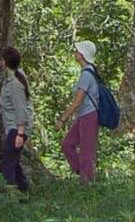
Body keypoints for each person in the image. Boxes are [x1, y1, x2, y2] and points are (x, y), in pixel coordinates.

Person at [58, 39, 102, 182]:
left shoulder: (87, 75)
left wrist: (62, 119)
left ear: (82, 55)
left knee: (86, 151)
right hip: (83, 116)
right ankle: (83, 174)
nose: (75, 52)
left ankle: (87, 182)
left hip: (89, 116)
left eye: (77, 51)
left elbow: (78, 101)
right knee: (67, 144)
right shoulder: (87, 72)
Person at [0, 46, 34, 193]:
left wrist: (20, 133)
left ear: (5, 63)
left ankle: (10, 196)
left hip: (17, 129)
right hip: (14, 128)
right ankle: (24, 190)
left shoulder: (15, 85)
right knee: (13, 161)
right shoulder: (15, 77)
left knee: (7, 163)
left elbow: (21, 110)